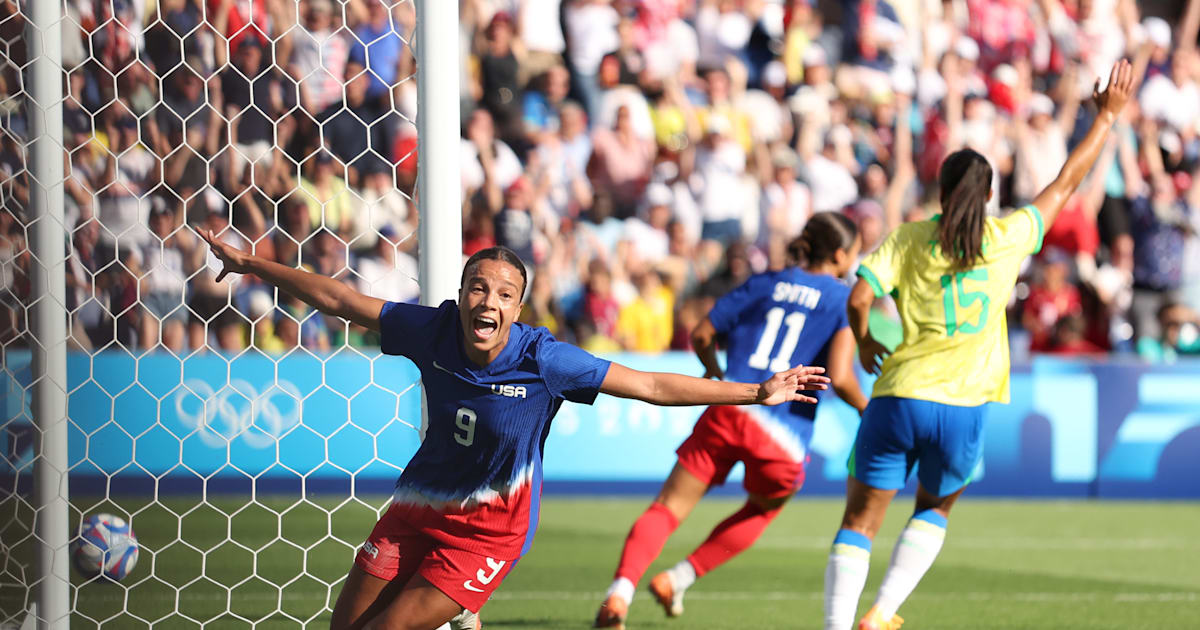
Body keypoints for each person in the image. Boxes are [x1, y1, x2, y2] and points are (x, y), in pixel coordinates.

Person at [198, 238, 830, 630]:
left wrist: (756, 391)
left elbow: (652, 385)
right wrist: (251, 263)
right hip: (415, 512)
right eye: (479, 287)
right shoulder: (433, 330)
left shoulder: (545, 361)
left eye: (504, 293)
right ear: (462, 294)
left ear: (517, 309)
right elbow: (339, 301)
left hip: (486, 538)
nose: (488, 301)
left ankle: (462, 608)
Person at [821, 60, 1135, 630]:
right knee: (936, 508)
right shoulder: (1006, 237)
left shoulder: (911, 237)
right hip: (963, 407)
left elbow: (860, 299)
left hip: (898, 396)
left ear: (940, 191)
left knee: (859, 521)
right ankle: (882, 614)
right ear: (990, 194)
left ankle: (837, 627)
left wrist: (866, 343)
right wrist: (1107, 118)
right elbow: (1067, 181)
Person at [594, 212, 869, 629]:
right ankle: (678, 578)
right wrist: (869, 411)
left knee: (668, 508)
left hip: (732, 406)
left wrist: (714, 373)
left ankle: (619, 594)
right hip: (786, 433)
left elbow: (702, 333)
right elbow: (842, 375)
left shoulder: (765, 281)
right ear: (839, 254)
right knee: (762, 509)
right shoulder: (841, 299)